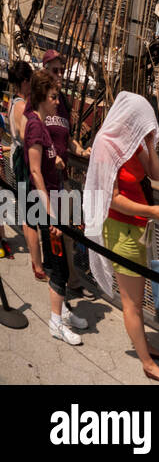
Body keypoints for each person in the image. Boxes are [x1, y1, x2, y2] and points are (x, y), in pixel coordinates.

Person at [84, 92, 159, 383]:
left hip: (138, 228)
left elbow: (156, 176)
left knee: (139, 296)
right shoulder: (106, 145)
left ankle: (144, 346)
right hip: (122, 228)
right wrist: (150, 210)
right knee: (132, 302)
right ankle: (147, 363)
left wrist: (149, 142)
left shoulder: (133, 143)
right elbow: (111, 199)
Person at [25, 69, 88, 344]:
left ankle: (63, 309)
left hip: (56, 199)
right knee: (59, 264)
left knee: (59, 260)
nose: (56, 102)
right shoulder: (35, 126)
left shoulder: (42, 125)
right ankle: (55, 321)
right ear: (41, 96)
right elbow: (36, 171)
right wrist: (51, 214)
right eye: (52, 96)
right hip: (49, 204)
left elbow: (48, 162)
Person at [8, 61, 43, 278]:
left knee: (27, 210)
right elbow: (25, 136)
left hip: (15, 156)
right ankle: (37, 263)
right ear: (24, 82)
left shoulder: (13, 102)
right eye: (30, 81)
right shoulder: (21, 106)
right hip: (24, 160)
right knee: (31, 214)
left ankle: (35, 258)